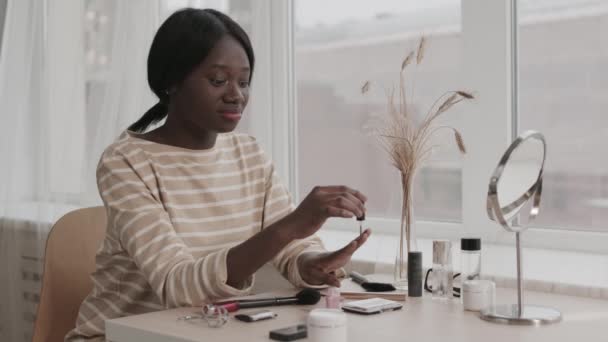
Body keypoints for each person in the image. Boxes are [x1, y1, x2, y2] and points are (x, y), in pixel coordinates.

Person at [66, 8, 370, 341]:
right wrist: (290, 226)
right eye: (218, 80)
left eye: (244, 81)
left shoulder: (249, 155)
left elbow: (291, 249)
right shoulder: (126, 162)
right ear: (172, 80)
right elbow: (177, 286)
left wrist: (313, 262)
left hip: (208, 334)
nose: (236, 94)